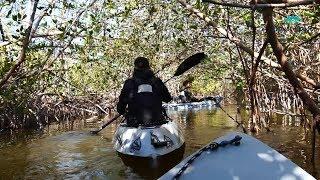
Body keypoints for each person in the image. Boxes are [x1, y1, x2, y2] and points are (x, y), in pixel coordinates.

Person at [117, 57, 172, 126]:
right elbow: (168, 99)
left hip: (134, 122)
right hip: (157, 121)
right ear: (148, 67)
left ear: (135, 68)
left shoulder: (129, 83)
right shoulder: (157, 82)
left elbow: (120, 109)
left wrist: (126, 109)